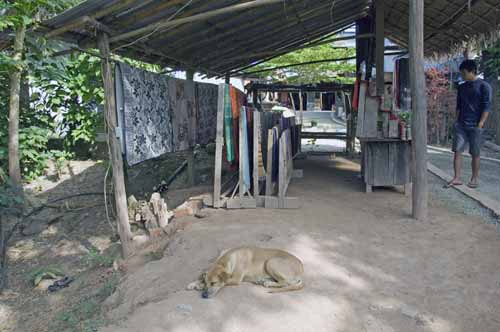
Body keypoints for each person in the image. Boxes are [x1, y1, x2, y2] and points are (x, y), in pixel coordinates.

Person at [446, 59, 492, 189]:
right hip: (461, 124)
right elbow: (459, 106)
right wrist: (456, 121)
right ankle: (456, 178)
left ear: (472, 71)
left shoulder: (484, 86)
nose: (462, 76)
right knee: (457, 151)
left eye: (464, 73)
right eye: (461, 73)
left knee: (475, 153)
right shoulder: (461, 87)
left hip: (476, 125)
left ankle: (474, 178)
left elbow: (487, 107)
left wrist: (481, 124)